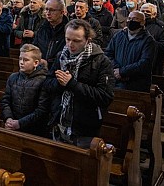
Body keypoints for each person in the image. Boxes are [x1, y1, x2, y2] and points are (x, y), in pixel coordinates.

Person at [42, 19, 115, 148]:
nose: (70, 44)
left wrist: (72, 84)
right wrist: (60, 83)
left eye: (76, 41)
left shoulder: (101, 62)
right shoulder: (61, 56)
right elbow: (47, 84)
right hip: (59, 120)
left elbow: (105, 97)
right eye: (68, 39)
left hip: (85, 126)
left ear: (88, 40)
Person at [0, 44, 48, 136]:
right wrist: (8, 118)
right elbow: (6, 101)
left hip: (34, 130)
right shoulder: (13, 77)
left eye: (25, 60)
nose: (21, 62)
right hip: (12, 125)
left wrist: (20, 123)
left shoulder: (43, 81)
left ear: (36, 63)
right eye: (20, 59)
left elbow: (42, 110)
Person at [105, 10, 155, 92]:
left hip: (136, 84)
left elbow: (145, 63)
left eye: (135, 19)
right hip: (116, 80)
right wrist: (116, 69)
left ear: (142, 22)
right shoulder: (118, 36)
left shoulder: (148, 40)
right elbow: (108, 54)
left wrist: (122, 72)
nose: (131, 21)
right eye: (129, 18)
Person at [33, 0, 69, 67]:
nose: (48, 13)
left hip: (60, 69)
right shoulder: (42, 28)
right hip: (41, 66)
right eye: (46, 9)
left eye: (52, 10)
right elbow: (35, 47)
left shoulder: (68, 30)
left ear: (62, 12)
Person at [140, 3, 164, 75]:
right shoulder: (135, 25)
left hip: (154, 64)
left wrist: (149, 44)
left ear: (154, 14)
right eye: (142, 11)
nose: (144, 13)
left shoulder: (162, 27)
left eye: (147, 11)